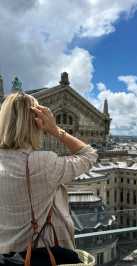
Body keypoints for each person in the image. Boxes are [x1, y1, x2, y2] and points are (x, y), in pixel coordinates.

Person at [0, 92, 98, 255]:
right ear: (36, 124)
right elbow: (89, 155)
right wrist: (55, 129)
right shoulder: (42, 163)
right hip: (39, 254)